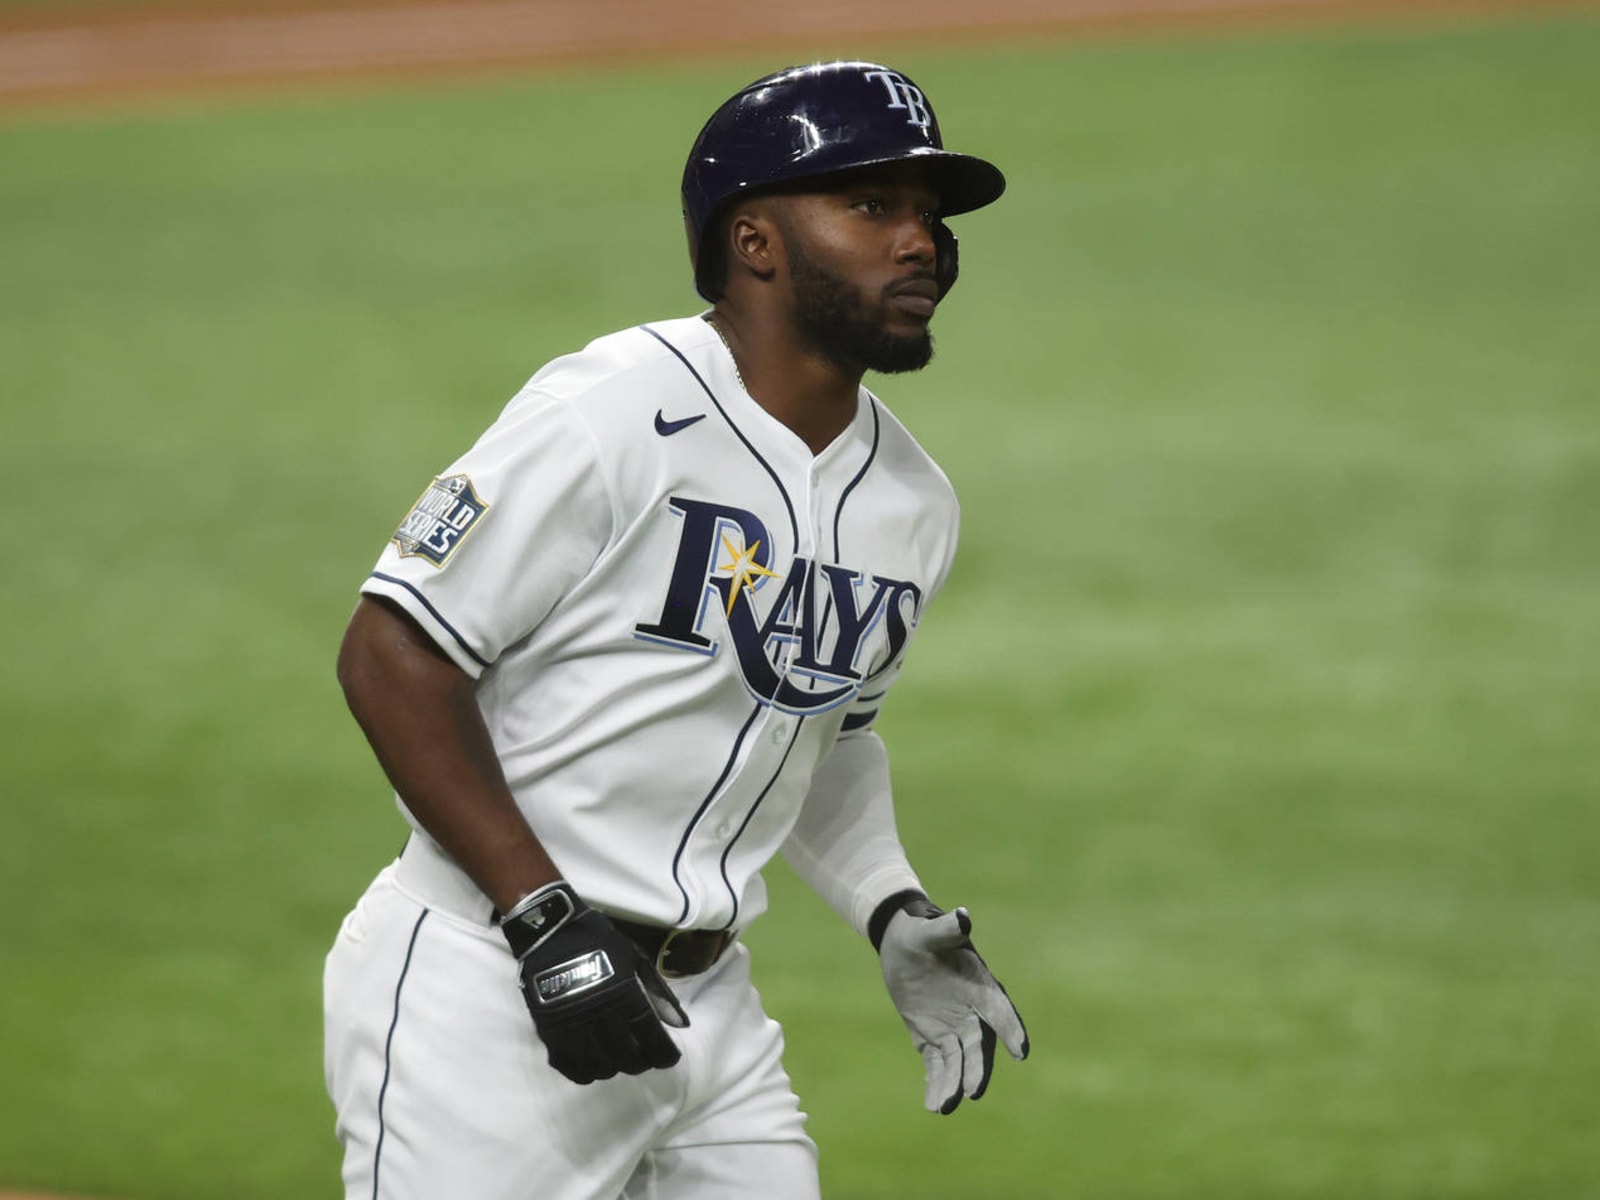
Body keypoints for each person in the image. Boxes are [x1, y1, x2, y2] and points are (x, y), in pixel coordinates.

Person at [323, 60, 1029, 1200]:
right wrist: (545, 924)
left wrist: (889, 905)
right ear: (754, 241)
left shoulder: (912, 500)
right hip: (489, 988)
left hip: (709, 1011)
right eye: (870, 206)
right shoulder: (609, 413)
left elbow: (821, 734)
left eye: (928, 216)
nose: (922, 244)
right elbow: (395, 652)